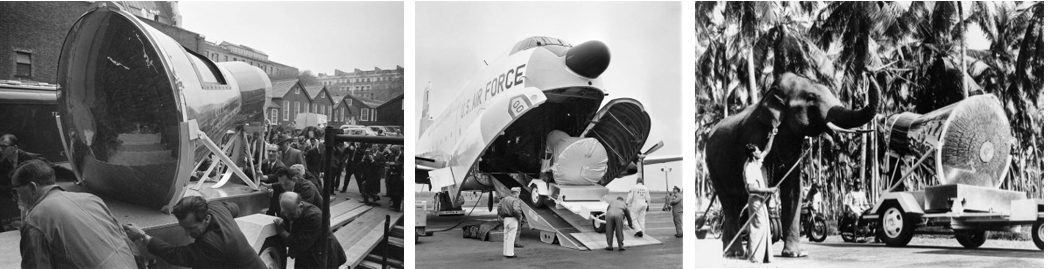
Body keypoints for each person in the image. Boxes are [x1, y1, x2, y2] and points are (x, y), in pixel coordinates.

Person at [12, 160, 140, 268]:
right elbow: (128, 243)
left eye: (16, 192)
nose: (17, 198)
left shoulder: (35, 220)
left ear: (33, 187)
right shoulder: (91, 199)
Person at [124, 196, 266, 268]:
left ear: (206, 219)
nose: (187, 233)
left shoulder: (211, 243)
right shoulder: (216, 207)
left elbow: (175, 254)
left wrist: (143, 236)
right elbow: (234, 208)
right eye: (184, 227)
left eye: (191, 228)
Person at [275, 192, 346, 268]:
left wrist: (282, 232)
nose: (288, 217)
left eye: (292, 214)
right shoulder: (289, 210)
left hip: (322, 254)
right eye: (286, 214)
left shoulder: (315, 217)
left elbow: (301, 243)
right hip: (306, 254)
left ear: (300, 206)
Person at [744, 141, 777, 263]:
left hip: (761, 200)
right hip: (755, 201)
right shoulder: (750, 168)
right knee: (759, 226)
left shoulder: (757, 163)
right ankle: (754, 257)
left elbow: (767, 149)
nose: (760, 152)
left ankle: (761, 257)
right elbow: (751, 188)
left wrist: (772, 134)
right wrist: (768, 190)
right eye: (757, 151)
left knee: (764, 226)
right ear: (753, 154)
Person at [497, 187, 526, 258]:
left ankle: (505, 252)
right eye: (519, 192)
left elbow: (498, 208)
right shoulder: (515, 200)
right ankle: (510, 254)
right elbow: (516, 210)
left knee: (506, 236)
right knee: (511, 237)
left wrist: (503, 215)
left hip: (506, 219)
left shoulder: (504, 199)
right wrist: (519, 218)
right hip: (513, 219)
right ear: (517, 193)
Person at [386, 146, 404, 211]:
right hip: (392, 176)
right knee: (392, 191)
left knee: (398, 192)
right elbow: (388, 161)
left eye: (395, 151)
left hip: (399, 176)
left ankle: (397, 206)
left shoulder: (403, 156)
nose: (394, 153)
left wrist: (396, 164)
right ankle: (394, 203)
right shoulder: (392, 156)